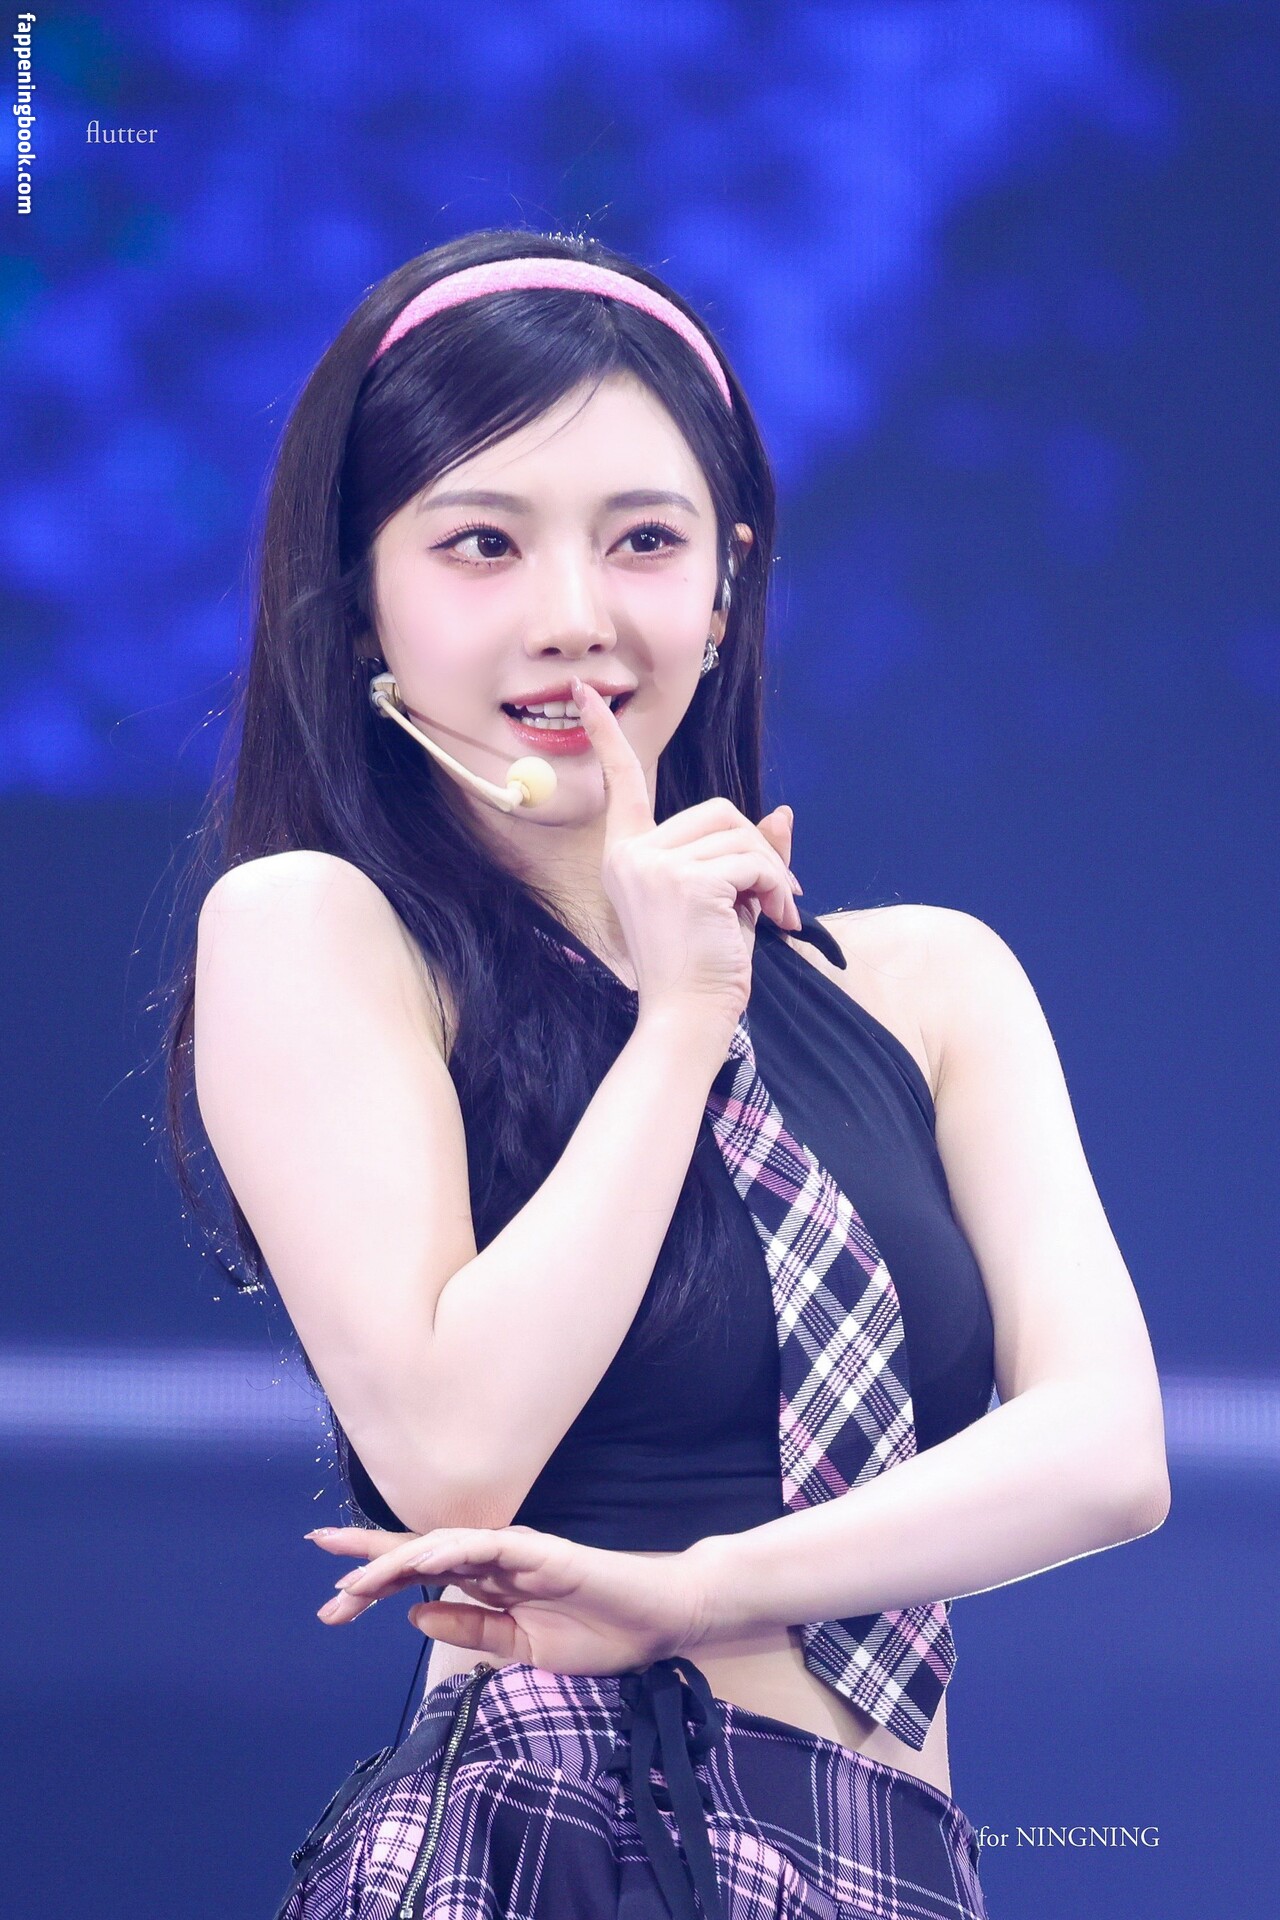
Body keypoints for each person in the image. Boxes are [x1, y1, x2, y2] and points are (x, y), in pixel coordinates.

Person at [168, 228, 1170, 1920]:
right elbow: (454, 1452)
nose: (574, 619)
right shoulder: (318, 929)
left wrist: (696, 1590)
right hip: (553, 1826)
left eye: (644, 539)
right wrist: (682, 1017)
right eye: (481, 543)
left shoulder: (935, 979)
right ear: (360, 596)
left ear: (726, 580)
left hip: (889, 1858)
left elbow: (1107, 1451)